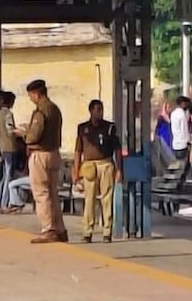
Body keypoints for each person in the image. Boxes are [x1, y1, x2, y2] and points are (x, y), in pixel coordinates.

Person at [16, 79, 66, 244]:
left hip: (40, 154)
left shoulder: (41, 112)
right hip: (54, 153)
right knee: (52, 193)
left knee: (41, 193)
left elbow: (34, 136)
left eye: (31, 95)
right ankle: (60, 229)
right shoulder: (55, 109)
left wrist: (23, 133)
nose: (30, 98)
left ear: (36, 94)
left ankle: (48, 229)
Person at [72, 99, 120, 243]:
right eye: (97, 109)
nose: (100, 112)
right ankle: (87, 231)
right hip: (89, 165)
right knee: (89, 199)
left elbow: (117, 149)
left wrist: (119, 169)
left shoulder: (110, 127)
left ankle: (107, 230)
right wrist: (76, 170)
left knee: (107, 198)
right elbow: (78, 150)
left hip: (106, 164)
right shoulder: (83, 128)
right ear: (91, 111)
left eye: (101, 109)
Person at [0, 92, 20, 212]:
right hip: (10, 147)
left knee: (4, 177)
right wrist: (19, 131)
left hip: (2, 147)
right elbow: (10, 130)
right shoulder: (8, 114)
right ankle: (4, 203)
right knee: (9, 177)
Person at [169, 96, 191, 164]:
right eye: (187, 104)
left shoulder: (173, 113)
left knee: (177, 164)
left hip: (175, 143)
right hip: (182, 144)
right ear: (183, 103)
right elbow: (184, 130)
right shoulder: (182, 115)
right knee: (183, 165)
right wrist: (188, 141)